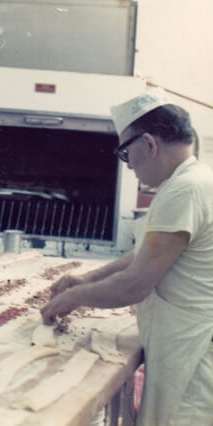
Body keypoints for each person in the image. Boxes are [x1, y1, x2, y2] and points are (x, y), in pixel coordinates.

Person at [41, 88, 213, 425]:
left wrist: (74, 298)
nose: (129, 165)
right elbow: (149, 251)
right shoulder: (193, 180)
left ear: (149, 143)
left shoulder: (186, 189)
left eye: (125, 152)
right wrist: (88, 279)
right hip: (181, 344)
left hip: (192, 354)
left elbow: (134, 285)